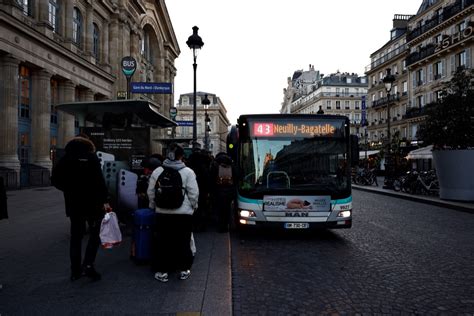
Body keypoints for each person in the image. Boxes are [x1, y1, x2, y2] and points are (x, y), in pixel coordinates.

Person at [51, 135, 110, 281]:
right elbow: (99, 181)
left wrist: (69, 190)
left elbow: (55, 180)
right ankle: (88, 265)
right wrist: (105, 200)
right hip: (93, 204)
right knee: (95, 235)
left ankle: (75, 271)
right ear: (88, 146)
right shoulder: (92, 157)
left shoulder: (66, 158)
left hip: (74, 204)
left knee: (76, 237)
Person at [147, 143, 199, 282]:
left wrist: (153, 205)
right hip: (183, 213)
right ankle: (184, 269)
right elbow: (193, 193)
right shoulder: (188, 172)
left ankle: (162, 271)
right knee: (183, 241)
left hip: (162, 212)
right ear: (182, 156)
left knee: (162, 242)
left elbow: (151, 191)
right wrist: (193, 207)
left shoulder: (158, 171)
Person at [209, 152, 236, 233]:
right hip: (229, 191)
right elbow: (236, 176)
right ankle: (226, 225)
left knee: (220, 209)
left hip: (218, 191)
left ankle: (221, 226)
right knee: (227, 209)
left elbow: (211, 178)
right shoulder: (232, 165)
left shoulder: (215, 165)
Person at [187, 147, 211, 231]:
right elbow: (207, 179)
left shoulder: (189, 167)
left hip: (192, 190)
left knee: (194, 208)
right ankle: (201, 225)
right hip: (202, 189)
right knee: (202, 207)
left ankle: (194, 224)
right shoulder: (203, 166)